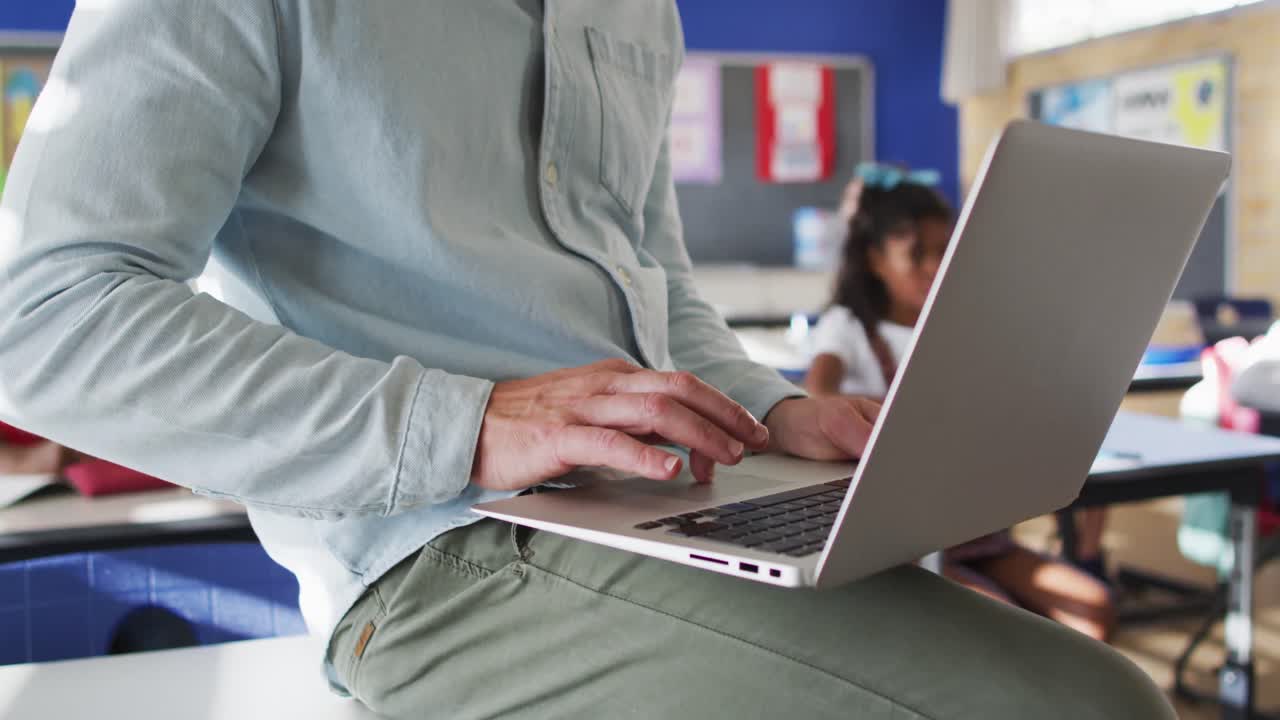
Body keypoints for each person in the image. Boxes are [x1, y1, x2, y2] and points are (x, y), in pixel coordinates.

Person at [0, 3, 1169, 718]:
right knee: (1084, 702)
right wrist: (468, 421)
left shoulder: (631, 8)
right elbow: (44, 314)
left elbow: (656, 291)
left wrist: (766, 408)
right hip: (434, 556)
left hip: (674, 507)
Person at [805, 164, 1115, 641]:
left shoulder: (962, 326)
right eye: (916, 253)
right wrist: (907, 409)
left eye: (944, 251)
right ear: (874, 259)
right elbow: (817, 397)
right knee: (1006, 630)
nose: (934, 266)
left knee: (1093, 609)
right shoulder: (846, 327)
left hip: (977, 530)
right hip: (904, 540)